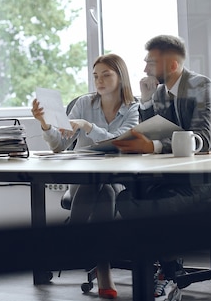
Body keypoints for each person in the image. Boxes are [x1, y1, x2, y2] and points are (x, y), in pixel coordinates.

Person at [113, 34, 211, 301]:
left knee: (154, 204)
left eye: (151, 62)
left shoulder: (201, 86)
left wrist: (154, 147)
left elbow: (201, 140)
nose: (145, 68)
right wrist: (147, 102)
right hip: (181, 177)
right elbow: (153, 131)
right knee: (129, 197)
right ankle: (166, 268)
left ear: (171, 65)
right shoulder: (161, 92)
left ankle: (166, 273)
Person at [32, 53, 139, 299]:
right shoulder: (83, 104)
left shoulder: (134, 108)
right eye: (95, 76)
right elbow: (59, 146)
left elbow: (121, 143)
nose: (98, 81)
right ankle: (103, 269)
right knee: (99, 187)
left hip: (119, 180)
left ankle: (74, 236)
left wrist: (89, 127)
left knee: (107, 187)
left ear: (120, 77)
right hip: (82, 180)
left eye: (106, 75)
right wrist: (46, 125)